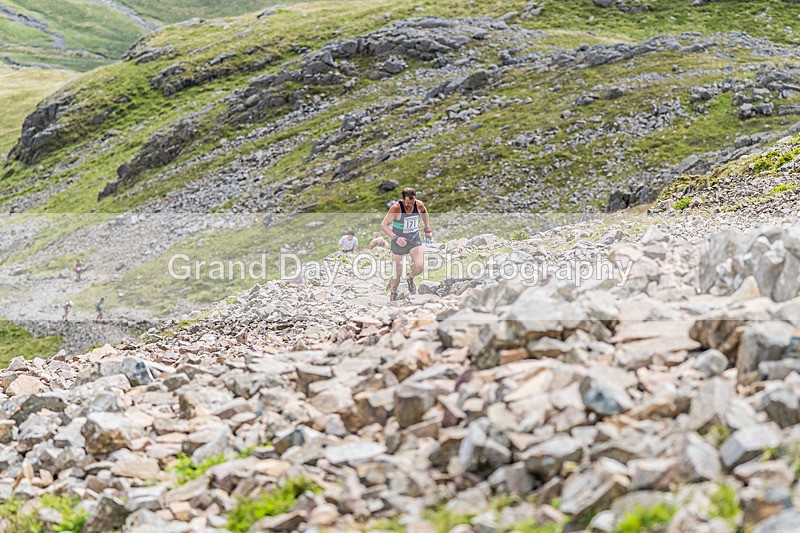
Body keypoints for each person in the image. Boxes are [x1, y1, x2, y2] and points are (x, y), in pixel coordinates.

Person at [381, 187, 432, 301]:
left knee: (420, 266)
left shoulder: (418, 205)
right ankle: (393, 292)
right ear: (402, 199)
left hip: (413, 239)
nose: (410, 206)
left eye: (412, 202)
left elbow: (424, 212)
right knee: (397, 274)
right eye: (408, 203)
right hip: (398, 242)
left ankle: (410, 277)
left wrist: (427, 229)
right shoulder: (396, 207)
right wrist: (396, 238)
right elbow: (384, 225)